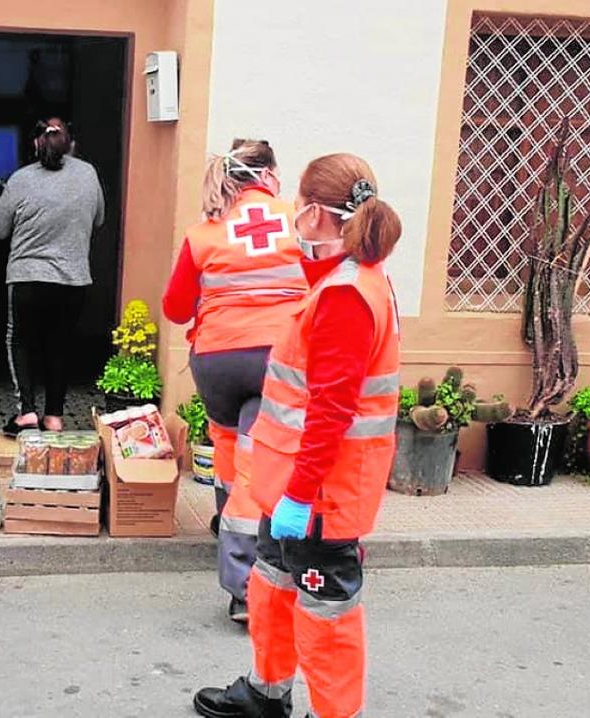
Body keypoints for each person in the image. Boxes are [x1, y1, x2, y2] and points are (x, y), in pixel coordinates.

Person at [193, 153, 402, 718]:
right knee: (274, 589)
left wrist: (301, 494)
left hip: (319, 496)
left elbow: (332, 410)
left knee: (325, 616)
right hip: (294, 489)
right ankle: (266, 693)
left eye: (296, 207)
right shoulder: (342, 282)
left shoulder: (346, 296)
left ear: (312, 213)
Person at [162, 139, 306, 625]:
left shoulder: (204, 233)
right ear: (269, 175)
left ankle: (226, 527)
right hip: (277, 361)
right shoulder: (299, 221)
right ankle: (246, 587)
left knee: (227, 449)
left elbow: (176, 308)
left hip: (215, 361)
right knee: (254, 470)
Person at [0, 117, 105, 436]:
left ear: (36, 144)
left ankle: (26, 412)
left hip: (28, 278)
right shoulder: (88, 174)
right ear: (72, 145)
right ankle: (54, 417)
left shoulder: (21, 179)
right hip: (74, 280)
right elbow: (99, 219)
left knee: (20, 342)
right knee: (60, 345)